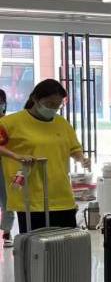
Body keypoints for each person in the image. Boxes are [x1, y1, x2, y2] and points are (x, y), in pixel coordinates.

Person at [0, 79, 90, 233]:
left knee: (66, 241)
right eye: (49, 104)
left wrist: (82, 159)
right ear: (35, 99)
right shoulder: (11, 122)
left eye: (58, 105)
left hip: (61, 194)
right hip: (31, 197)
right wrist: (16, 156)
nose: (53, 108)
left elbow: (74, 148)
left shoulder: (62, 123)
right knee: (37, 244)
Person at [0, 89, 15, 247]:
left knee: (7, 200)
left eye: (1, 102)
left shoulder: (9, 123)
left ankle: (7, 232)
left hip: (5, 166)